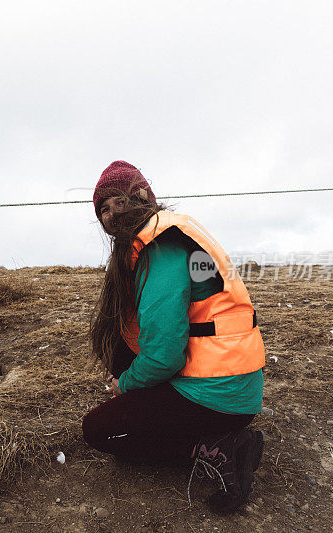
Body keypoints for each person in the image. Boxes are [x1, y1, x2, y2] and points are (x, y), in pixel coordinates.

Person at [82, 160, 266, 514]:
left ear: (142, 197)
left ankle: (221, 448)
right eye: (103, 208)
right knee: (121, 350)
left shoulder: (159, 247)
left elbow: (165, 356)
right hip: (235, 384)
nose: (111, 214)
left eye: (119, 201)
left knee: (98, 430)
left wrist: (127, 385)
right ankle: (204, 427)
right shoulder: (173, 231)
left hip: (219, 398)